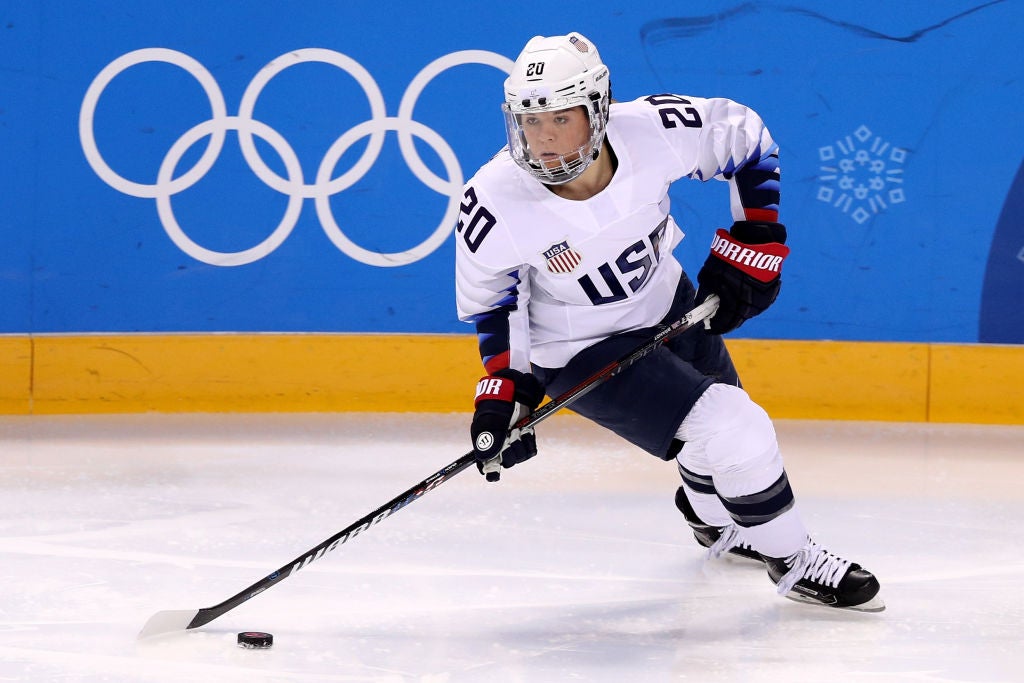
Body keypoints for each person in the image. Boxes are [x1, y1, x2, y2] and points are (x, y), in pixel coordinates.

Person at [454, 32, 883, 612]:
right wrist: (507, 390)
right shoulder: (494, 200)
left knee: (720, 438)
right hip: (580, 348)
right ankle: (795, 562)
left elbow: (746, 137)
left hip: (668, 304)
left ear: (599, 108)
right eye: (530, 122)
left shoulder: (652, 130)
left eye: (560, 117)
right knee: (736, 427)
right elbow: (495, 304)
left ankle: (713, 525)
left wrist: (754, 238)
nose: (544, 138)